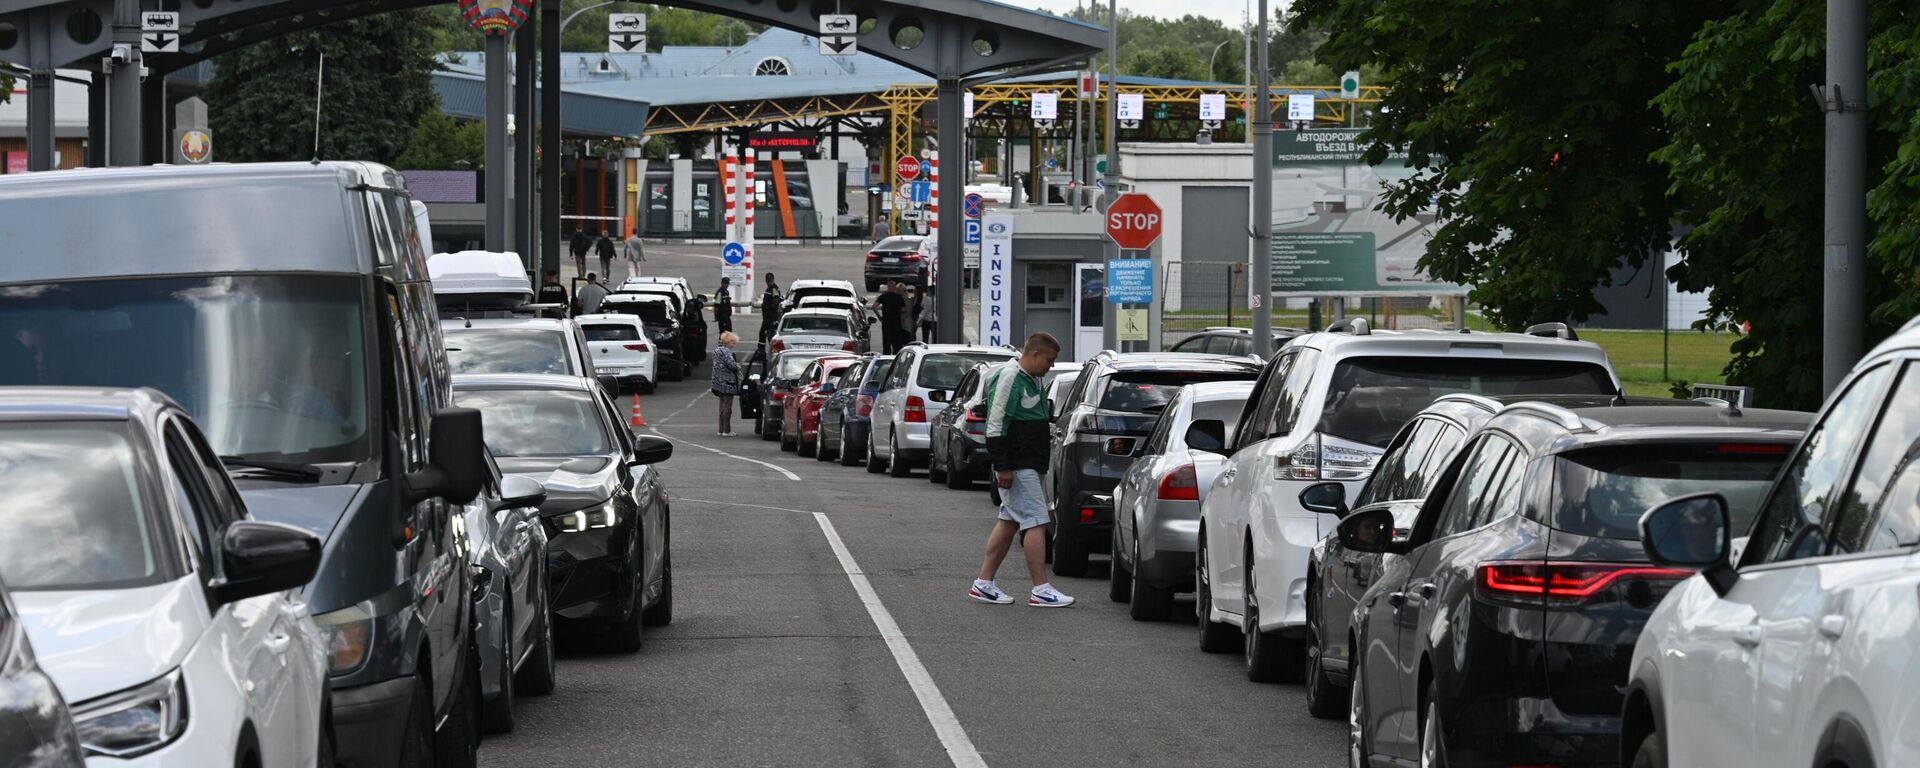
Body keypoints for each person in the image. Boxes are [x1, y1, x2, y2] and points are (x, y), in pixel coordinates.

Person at [970, 333, 1071, 607]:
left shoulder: (1033, 378)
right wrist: (1002, 466)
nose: (1051, 365)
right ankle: (1040, 588)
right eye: (1050, 360)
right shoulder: (1010, 377)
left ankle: (984, 583)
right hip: (1018, 464)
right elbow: (996, 423)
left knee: (1009, 521)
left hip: (1028, 463)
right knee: (1036, 521)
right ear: (1035, 354)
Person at [711, 332, 741, 436]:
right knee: (727, 407)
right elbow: (731, 365)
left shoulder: (717, 351)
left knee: (721, 406)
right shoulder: (727, 352)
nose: (734, 344)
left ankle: (720, 429)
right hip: (727, 382)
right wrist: (738, 366)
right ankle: (727, 430)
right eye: (733, 342)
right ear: (728, 342)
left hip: (717, 382)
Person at [872, 281, 908, 354]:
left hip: (886, 322)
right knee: (897, 344)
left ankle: (886, 356)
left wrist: (879, 316)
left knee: (886, 343)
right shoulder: (898, 297)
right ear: (894, 288)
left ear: (888, 287)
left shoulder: (883, 296)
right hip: (896, 323)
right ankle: (895, 358)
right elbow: (904, 309)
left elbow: (874, 307)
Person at [758, 273, 785, 344]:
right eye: (767, 281)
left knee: (769, 334)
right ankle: (761, 350)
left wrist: (769, 308)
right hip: (767, 316)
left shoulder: (774, 289)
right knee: (763, 334)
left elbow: (776, 300)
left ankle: (769, 351)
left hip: (771, 317)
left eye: (770, 281)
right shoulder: (769, 289)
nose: (768, 282)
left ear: (773, 280)